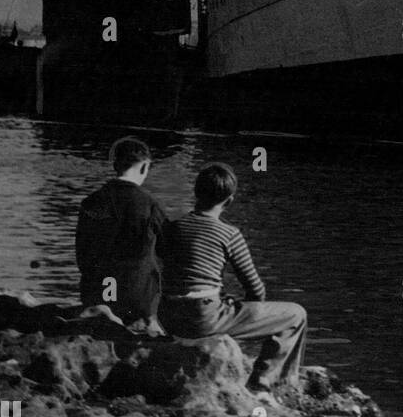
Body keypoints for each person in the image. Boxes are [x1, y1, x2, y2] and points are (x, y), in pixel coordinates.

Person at [158, 163, 307, 391]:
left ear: (196, 193)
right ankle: (267, 380)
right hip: (203, 318)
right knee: (296, 315)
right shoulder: (229, 234)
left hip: (168, 316)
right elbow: (255, 288)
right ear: (229, 201)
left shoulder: (172, 228)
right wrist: (250, 313)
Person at [75, 137, 167, 327]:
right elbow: (169, 250)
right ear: (144, 168)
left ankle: (103, 309)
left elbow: (82, 254)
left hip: (97, 292)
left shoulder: (91, 201)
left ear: (115, 164)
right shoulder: (149, 205)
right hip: (136, 297)